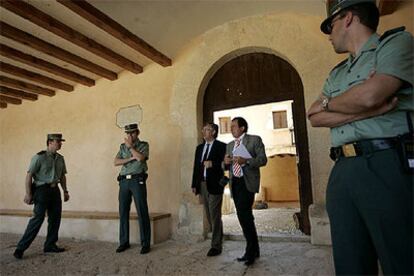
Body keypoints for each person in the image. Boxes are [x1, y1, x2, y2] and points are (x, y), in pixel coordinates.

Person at [308, 0, 413, 274]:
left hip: (386, 162)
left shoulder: (394, 44)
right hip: (343, 168)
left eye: (330, 25)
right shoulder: (338, 72)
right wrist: (364, 112)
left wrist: (332, 103)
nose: (328, 35)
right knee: (350, 264)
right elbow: (314, 115)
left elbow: (371, 95)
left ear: (349, 18)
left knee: (401, 259)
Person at [13, 134, 70, 259]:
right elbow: (29, 175)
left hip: (55, 191)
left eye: (61, 141)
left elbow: (62, 176)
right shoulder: (39, 157)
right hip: (41, 191)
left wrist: (65, 191)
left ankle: (50, 245)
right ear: (49, 142)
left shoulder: (60, 158)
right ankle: (20, 248)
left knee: (55, 219)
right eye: (58, 141)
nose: (60, 143)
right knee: (37, 219)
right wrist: (28, 193)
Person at [224, 117, 267, 266]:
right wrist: (226, 162)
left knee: (244, 215)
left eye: (234, 126)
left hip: (247, 182)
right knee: (244, 216)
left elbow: (263, 160)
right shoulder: (229, 145)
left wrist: (246, 161)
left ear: (242, 128)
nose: (231, 129)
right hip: (234, 183)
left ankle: (250, 251)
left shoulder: (255, 140)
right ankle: (254, 249)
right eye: (231, 126)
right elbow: (225, 165)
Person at [114, 123, 151, 254]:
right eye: (128, 133)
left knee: (142, 211)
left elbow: (141, 158)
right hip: (124, 181)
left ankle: (145, 243)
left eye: (132, 133)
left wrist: (131, 148)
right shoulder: (122, 146)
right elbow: (116, 162)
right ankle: (124, 242)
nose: (130, 135)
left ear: (137, 133)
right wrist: (130, 158)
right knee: (123, 211)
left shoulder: (144, 145)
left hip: (137, 180)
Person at [191, 122, 226, 256]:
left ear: (213, 132)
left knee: (214, 214)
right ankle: (219, 236)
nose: (203, 131)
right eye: (203, 129)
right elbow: (196, 167)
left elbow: (226, 164)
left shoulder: (221, 146)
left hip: (216, 184)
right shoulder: (199, 148)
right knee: (209, 213)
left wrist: (214, 164)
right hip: (203, 184)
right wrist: (194, 184)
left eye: (207, 129)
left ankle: (216, 245)